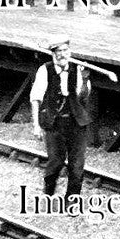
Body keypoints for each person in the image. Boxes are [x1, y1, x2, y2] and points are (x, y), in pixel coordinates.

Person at [30, 35, 93, 198]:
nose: (63, 54)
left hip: (76, 122)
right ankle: (48, 191)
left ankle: (72, 199)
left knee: (77, 165)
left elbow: (82, 98)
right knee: (55, 162)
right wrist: (36, 125)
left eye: (66, 50)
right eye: (59, 51)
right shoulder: (45, 70)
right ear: (53, 54)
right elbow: (36, 98)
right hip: (54, 123)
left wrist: (85, 80)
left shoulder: (77, 69)